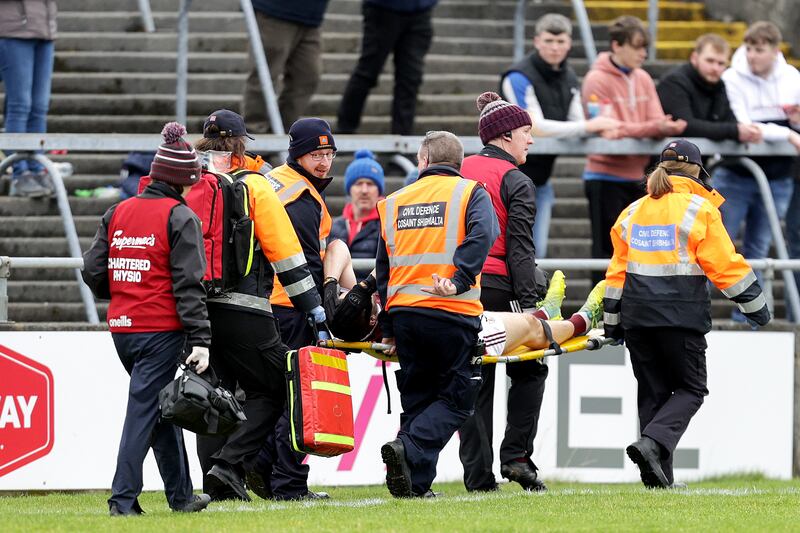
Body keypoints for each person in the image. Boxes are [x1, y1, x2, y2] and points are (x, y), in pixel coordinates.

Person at [604, 139, 770, 489]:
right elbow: (725, 266)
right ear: (697, 171)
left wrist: (612, 322)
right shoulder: (701, 209)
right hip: (681, 316)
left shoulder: (632, 211)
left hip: (637, 317)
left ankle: (659, 480)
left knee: (653, 394)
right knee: (691, 389)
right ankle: (651, 445)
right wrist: (756, 308)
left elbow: (616, 274)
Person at [192, 110, 326, 503]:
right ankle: (228, 467)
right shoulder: (255, 185)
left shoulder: (188, 180)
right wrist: (312, 306)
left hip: (196, 309)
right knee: (280, 386)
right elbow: (286, 254)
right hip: (246, 308)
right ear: (240, 144)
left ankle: (216, 483)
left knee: (211, 394)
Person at [81, 122, 212, 515]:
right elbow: (189, 285)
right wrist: (201, 340)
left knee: (160, 410)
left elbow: (92, 270)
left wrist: (124, 292)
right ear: (180, 180)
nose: (193, 187)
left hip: (123, 329)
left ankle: (181, 497)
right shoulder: (180, 216)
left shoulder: (118, 210)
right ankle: (122, 500)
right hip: (160, 330)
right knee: (144, 411)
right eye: (192, 180)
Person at [376, 131, 499, 498]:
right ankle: (408, 449)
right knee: (458, 399)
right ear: (458, 164)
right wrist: (459, 279)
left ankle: (413, 485)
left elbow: (383, 269)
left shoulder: (394, 201)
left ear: (424, 161)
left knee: (419, 398)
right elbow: (484, 235)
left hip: (405, 314)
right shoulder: (470, 192)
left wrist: (386, 326)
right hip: (451, 311)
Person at [458, 91, 547, 492]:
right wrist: (530, 307)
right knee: (531, 366)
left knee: (475, 381)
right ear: (506, 135)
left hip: (455, 289)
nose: (531, 140)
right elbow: (520, 249)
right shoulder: (515, 179)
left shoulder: (455, 169)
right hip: (499, 286)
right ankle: (516, 457)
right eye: (526, 132)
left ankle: (478, 477)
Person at [248, 118, 338, 501]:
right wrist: (319, 311)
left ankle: (262, 470)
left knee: (273, 396)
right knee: (299, 401)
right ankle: (287, 482)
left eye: (328, 154)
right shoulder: (300, 197)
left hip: (265, 306)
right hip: (290, 307)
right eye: (315, 154)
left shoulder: (275, 181)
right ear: (298, 154)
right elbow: (302, 264)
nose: (323, 162)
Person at [323, 238, 607, 358]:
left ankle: (546, 312)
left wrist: (332, 285)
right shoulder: (369, 326)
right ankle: (582, 319)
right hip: (464, 333)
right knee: (533, 332)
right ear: (372, 317)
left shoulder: (352, 312)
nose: (351, 293)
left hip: (452, 317)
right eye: (345, 294)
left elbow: (338, 247)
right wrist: (372, 280)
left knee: (527, 323)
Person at [500, 13, 620, 257]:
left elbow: (577, 122)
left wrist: (596, 126)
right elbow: (533, 126)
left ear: (569, 43)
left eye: (560, 42)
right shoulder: (517, 77)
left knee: (536, 254)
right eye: (548, 41)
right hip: (505, 181)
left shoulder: (569, 77)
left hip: (540, 183)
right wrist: (592, 126)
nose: (555, 48)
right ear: (536, 41)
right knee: (505, 252)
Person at [581, 16, 687, 284]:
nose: (643, 53)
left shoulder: (643, 77)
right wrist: (652, 126)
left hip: (639, 177)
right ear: (617, 45)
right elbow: (608, 129)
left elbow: (647, 122)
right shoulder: (596, 79)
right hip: (604, 178)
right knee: (606, 252)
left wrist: (648, 126)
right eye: (637, 46)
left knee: (639, 251)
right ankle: (602, 314)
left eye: (645, 47)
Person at [717, 21, 800, 320]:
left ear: (775, 51)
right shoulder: (732, 77)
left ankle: (749, 320)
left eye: (760, 50)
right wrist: (788, 134)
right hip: (735, 176)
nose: (752, 56)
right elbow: (746, 127)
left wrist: (795, 124)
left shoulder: (792, 77)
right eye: (749, 48)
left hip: (777, 179)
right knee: (714, 246)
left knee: (760, 251)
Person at [336, 0, 438, 135]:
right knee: (367, 72)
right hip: (383, 9)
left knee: (410, 79)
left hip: (420, 11)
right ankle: (345, 129)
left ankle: (403, 137)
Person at [242, 1, 331, 133]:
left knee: (308, 76)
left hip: (311, 18)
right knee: (265, 74)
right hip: (275, 12)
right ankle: (254, 132)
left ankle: (282, 131)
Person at [657, 34, 762, 144]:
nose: (715, 68)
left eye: (721, 63)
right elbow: (685, 126)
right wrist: (735, 131)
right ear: (694, 58)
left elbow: (729, 120)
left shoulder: (719, 85)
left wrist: (745, 131)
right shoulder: (674, 82)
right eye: (710, 61)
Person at [1, 0, 57, 197]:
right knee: (20, 105)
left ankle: (36, 169)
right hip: (13, 29)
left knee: (39, 107)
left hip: (44, 30)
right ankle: (20, 172)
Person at [329, 149, 384, 278]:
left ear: (379, 190)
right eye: (358, 184)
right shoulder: (333, 226)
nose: (364, 190)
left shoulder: (387, 225)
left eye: (370, 184)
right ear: (349, 189)